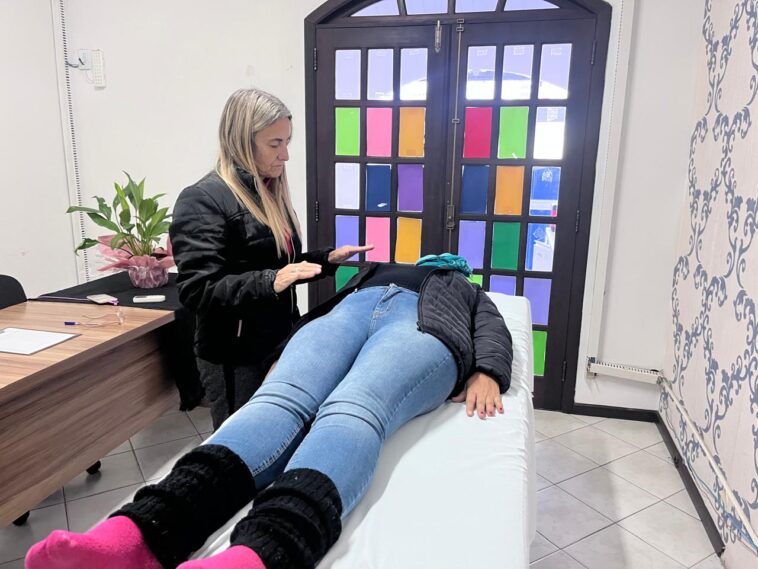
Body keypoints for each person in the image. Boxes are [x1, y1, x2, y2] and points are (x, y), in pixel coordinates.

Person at [26, 258, 513, 569]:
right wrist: (283, 351)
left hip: (421, 328)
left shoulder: (462, 286)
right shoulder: (373, 271)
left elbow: (492, 326)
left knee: (353, 406)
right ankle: (135, 537)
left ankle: (257, 555)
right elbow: (322, 311)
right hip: (347, 316)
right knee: (277, 399)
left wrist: (488, 370)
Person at [170, 88, 371, 429]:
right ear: (241, 142)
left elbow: (275, 265)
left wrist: (326, 260)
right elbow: (197, 290)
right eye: (275, 144)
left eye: (287, 142)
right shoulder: (202, 199)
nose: (285, 155)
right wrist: (271, 281)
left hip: (278, 340)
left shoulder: (268, 191)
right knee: (244, 442)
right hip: (234, 355)